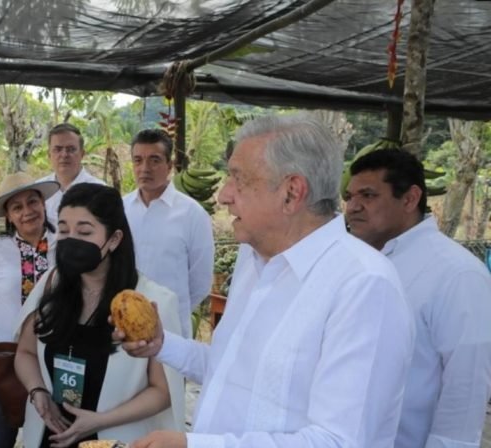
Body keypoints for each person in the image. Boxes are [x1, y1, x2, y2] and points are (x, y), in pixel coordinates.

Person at [119, 114, 415, 448]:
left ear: (291, 193)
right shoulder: (253, 259)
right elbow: (230, 370)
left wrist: (195, 445)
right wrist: (162, 345)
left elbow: (338, 441)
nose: (224, 195)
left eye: (238, 179)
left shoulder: (364, 285)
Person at [14, 183, 185, 447]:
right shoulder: (51, 285)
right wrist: (37, 390)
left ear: (114, 239)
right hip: (51, 436)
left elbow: (163, 391)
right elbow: (25, 352)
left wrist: (99, 421)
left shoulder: (151, 303)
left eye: (84, 232)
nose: (71, 240)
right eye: (63, 230)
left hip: (116, 438)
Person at [344, 149, 491, 448]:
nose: (353, 207)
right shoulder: (354, 263)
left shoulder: (457, 273)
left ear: (410, 199)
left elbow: (466, 386)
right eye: (349, 196)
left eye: (368, 195)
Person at [0, 171, 60, 448]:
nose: (27, 211)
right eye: (17, 207)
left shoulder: (64, 246)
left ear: (43, 203)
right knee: (1, 437)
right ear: (8, 216)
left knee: (51, 435)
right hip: (2, 359)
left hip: (51, 357)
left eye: (32, 202)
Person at [123, 129, 214, 338]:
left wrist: (172, 309)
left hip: (170, 330)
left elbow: (200, 282)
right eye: (138, 160)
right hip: (125, 327)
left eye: (154, 160)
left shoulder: (192, 214)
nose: (145, 168)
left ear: (169, 165)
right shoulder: (120, 209)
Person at [38, 123, 105, 227]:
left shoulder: (99, 191)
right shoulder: (40, 189)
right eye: (58, 149)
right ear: (49, 154)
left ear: (82, 154)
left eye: (71, 149)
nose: (64, 155)